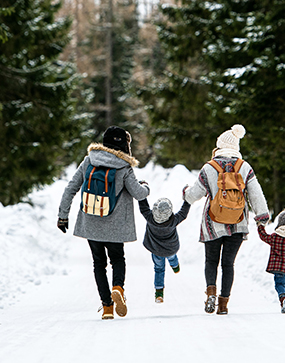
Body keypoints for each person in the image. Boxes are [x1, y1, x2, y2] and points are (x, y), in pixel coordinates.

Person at [56, 126, 150, 320]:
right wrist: (146, 186)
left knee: (98, 263)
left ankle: (107, 307)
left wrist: (63, 216)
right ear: (124, 144)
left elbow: (70, 188)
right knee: (117, 259)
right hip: (116, 226)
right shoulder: (124, 166)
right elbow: (139, 193)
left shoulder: (89, 160)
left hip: (91, 222)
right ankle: (118, 288)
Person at [183, 124, 270, 315]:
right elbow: (256, 194)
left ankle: (211, 292)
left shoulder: (209, 167)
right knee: (228, 264)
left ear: (219, 146)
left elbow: (194, 195)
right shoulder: (244, 167)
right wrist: (262, 218)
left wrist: (185, 194)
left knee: (211, 261)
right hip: (238, 223)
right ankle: (223, 304)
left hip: (212, 223)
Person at [138, 196, 191, 303]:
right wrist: (187, 200)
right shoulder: (173, 221)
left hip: (156, 251)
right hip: (171, 249)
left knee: (159, 269)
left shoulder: (149, 218)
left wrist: (142, 192)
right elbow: (183, 213)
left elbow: (143, 207)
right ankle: (175, 266)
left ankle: (159, 294)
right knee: (172, 258)